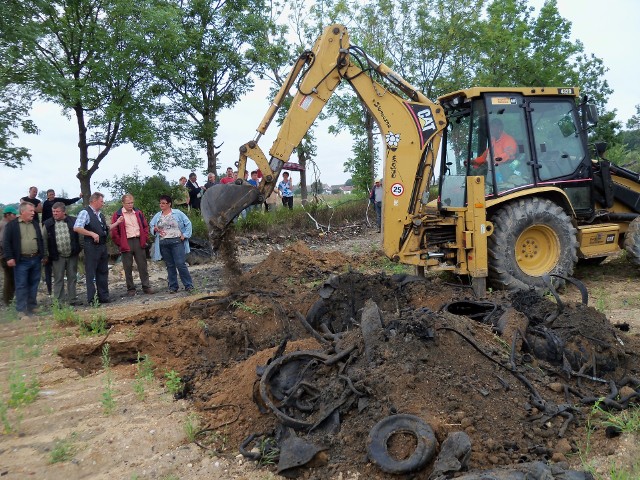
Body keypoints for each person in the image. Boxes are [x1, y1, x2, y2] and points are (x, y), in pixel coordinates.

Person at [74, 192, 120, 305]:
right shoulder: (85, 212)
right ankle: (92, 299)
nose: (103, 203)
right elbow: (77, 227)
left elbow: (105, 228)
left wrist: (117, 223)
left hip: (102, 246)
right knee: (91, 273)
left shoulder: (100, 214)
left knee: (103, 271)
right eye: (101, 201)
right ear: (94, 201)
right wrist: (91, 234)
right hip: (91, 246)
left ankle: (103, 296)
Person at [3, 203, 45, 316]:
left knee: (34, 283)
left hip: (35, 258)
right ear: (23, 212)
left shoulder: (35, 224)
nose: (33, 212)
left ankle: (32, 306)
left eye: (33, 211)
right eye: (31, 211)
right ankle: (21, 310)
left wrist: (42, 255)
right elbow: (6, 243)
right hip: (21, 260)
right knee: (21, 284)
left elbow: (40, 240)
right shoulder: (12, 225)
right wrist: (9, 257)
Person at [149, 195, 194, 293]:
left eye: (164, 203)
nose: (162, 205)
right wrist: (154, 229)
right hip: (164, 242)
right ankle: (173, 286)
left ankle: (188, 285)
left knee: (180, 263)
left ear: (169, 204)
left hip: (176, 241)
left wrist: (185, 235)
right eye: (160, 203)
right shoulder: (158, 216)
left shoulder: (177, 213)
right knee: (170, 265)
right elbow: (151, 226)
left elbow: (188, 223)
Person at [41, 189, 82, 295]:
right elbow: (44, 240)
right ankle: (59, 302)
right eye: (53, 212)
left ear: (64, 212)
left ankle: (72, 299)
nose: (55, 214)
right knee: (58, 279)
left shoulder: (73, 221)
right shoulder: (48, 224)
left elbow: (80, 237)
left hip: (72, 254)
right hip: (57, 256)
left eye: (57, 212)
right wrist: (45, 255)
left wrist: (79, 249)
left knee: (72, 277)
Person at [111, 194, 153, 297]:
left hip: (138, 240)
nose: (130, 205)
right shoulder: (117, 215)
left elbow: (145, 226)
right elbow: (114, 232)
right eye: (128, 203)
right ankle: (131, 288)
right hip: (126, 242)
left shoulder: (138, 213)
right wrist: (120, 243)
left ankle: (146, 286)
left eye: (132, 202)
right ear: (123, 203)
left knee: (143, 265)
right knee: (127, 266)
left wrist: (145, 238)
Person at [0, 205, 18, 306]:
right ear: (7, 215)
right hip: (6, 256)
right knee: (9, 278)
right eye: (14, 214)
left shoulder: (3, 223)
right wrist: (9, 255)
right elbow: (3, 242)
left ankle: (8, 300)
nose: (15, 216)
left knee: (9, 278)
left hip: (4, 255)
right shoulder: (6, 225)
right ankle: (8, 301)